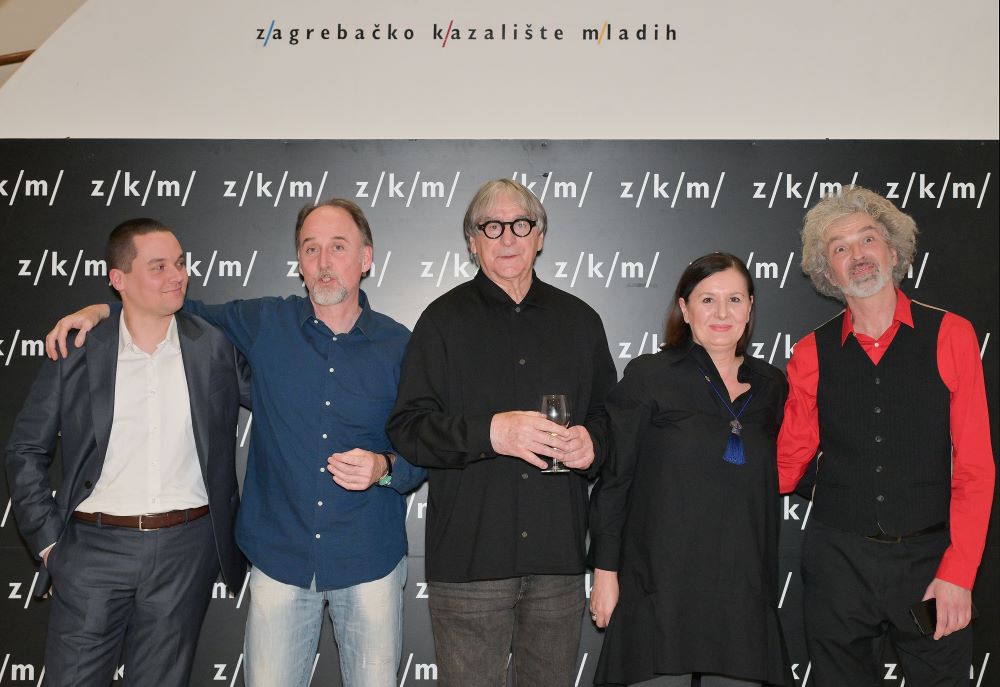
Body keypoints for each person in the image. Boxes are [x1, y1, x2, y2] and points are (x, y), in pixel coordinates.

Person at [44, 199, 426, 687]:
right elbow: (171, 306)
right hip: (279, 562)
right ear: (299, 262)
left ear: (366, 258)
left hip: (369, 560)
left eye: (338, 247)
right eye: (311, 249)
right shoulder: (264, 322)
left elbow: (425, 450)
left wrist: (384, 467)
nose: (324, 262)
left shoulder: (401, 346)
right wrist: (102, 309)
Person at [386, 178, 617, 686]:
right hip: (471, 562)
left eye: (520, 225)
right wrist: (490, 434)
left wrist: (593, 444)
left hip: (558, 561)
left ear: (540, 236)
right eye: (491, 226)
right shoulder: (440, 322)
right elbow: (409, 429)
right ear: (472, 242)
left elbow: (609, 419)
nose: (507, 237)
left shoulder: (580, 322)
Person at [6, 218, 246, 687]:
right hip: (92, 550)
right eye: (158, 267)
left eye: (180, 263)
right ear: (119, 279)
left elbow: (277, 397)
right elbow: (25, 449)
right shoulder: (78, 350)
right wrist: (50, 546)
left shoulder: (213, 347)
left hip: (185, 551)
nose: (177, 276)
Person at [777, 186, 995, 686]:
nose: (857, 255)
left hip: (930, 562)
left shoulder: (951, 334)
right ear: (828, 272)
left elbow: (975, 467)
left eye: (867, 239)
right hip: (837, 566)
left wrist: (958, 574)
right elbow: (787, 466)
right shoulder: (809, 353)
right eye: (840, 248)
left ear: (893, 253)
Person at [588, 253, 791, 687]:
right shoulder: (650, 376)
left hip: (741, 592)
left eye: (734, 299)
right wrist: (605, 573)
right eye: (707, 300)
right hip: (660, 589)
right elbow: (615, 480)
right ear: (684, 308)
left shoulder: (773, 385)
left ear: (750, 307)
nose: (722, 313)